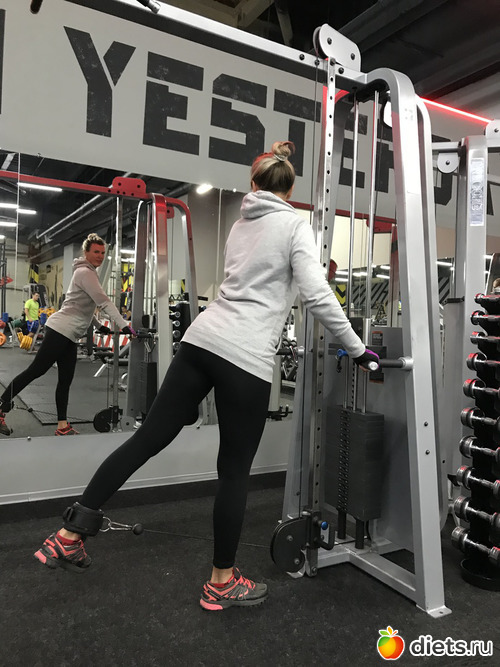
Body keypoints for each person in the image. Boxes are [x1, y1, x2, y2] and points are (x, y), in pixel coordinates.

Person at [33, 142, 379, 611]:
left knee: (146, 438)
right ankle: (221, 582)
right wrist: (358, 350)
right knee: (233, 472)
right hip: (244, 355)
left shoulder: (241, 224)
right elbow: (317, 295)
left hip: (201, 340)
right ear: (290, 190)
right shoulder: (295, 225)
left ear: (253, 184)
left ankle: (70, 533)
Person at [0, 234, 134, 437]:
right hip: (60, 330)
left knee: (65, 380)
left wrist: (100, 326)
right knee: (36, 370)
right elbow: (103, 302)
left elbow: (81, 307)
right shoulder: (85, 272)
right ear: (86, 253)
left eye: (102, 252)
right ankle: (1, 407)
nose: (100, 256)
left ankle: (62, 426)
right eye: (96, 252)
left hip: (69, 334)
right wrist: (124, 326)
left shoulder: (88, 273)